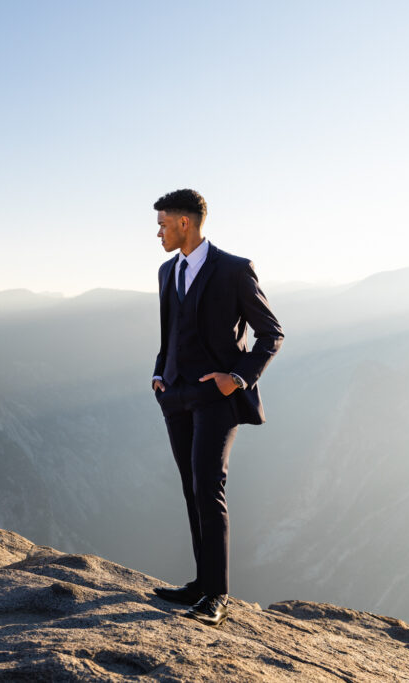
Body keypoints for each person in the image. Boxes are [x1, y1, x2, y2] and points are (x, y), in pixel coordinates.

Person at [149, 189, 283, 626]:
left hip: (218, 398)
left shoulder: (234, 269)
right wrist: (159, 374)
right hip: (175, 395)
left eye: (164, 224)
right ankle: (201, 583)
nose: (159, 232)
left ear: (185, 223)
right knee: (191, 486)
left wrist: (238, 378)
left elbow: (271, 333)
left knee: (209, 487)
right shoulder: (167, 271)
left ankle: (218, 596)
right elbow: (169, 332)